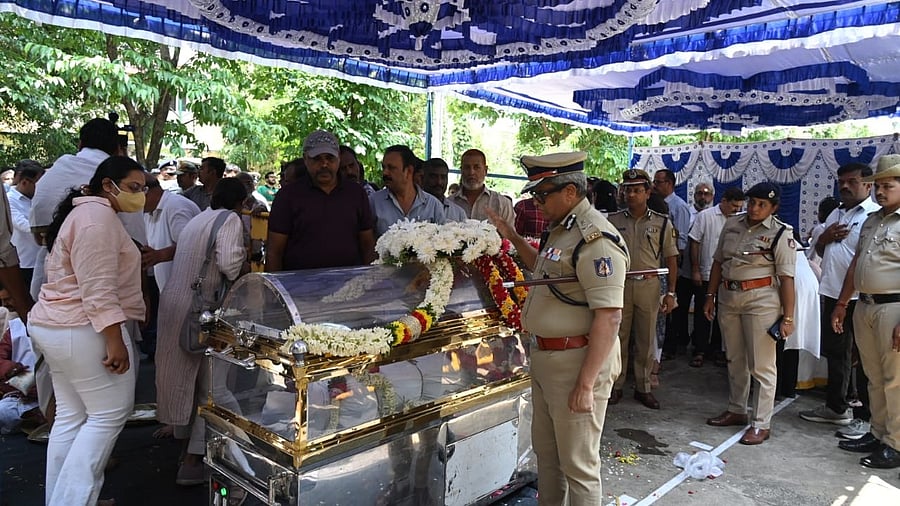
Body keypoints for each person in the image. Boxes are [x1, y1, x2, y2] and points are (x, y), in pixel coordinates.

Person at [487, 151, 626, 506]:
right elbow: (544, 274)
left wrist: (586, 384)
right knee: (548, 458)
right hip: (549, 359)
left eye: (542, 194)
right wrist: (514, 237)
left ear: (569, 192)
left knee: (578, 466)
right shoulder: (562, 230)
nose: (537, 202)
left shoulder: (595, 240)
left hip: (577, 363)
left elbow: (609, 318)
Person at [27, 156, 146, 505]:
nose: (140, 196)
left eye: (142, 189)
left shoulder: (90, 215)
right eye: (134, 188)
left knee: (72, 417)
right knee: (108, 416)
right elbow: (97, 288)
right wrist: (114, 340)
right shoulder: (97, 220)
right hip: (83, 328)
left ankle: (65, 498)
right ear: (108, 185)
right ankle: (72, 500)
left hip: (60, 326)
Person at [155, 178, 248, 485]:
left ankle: (185, 443)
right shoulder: (230, 219)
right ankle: (197, 459)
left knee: (187, 379)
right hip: (200, 310)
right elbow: (231, 266)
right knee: (214, 388)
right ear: (240, 202)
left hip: (174, 304)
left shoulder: (199, 218)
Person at [704, 182, 796, 445]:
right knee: (734, 358)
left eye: (762, 204)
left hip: (762, 301)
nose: (754, 208)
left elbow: (787, 279)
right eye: (752, 202)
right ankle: (736, 409)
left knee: (762, 365)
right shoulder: (732, 225)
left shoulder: (781, 233)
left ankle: (761, 423)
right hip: (729, 297)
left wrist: (787, 317)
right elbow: (718, 262)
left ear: (773, 207)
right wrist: (710, 296)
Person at [831, 154, 900, 469]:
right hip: (865, 304)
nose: (881, 192)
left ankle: (895, 443)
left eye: (888, 186)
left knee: (894, 379)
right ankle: (877, 431)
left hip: (893, 309)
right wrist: (843, 303)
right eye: (878, 186)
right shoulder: (873, 220)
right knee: (872, 376)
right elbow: (856, 264)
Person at [800, 162, 878, 429]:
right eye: (841, 181)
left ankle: (867, 418)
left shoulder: (874, 215)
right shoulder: (836, 213)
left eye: (852, 181)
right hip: (834, 292)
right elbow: (820, 253)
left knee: (864, 356)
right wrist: (825, 238)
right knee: (836, 353)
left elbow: (866, 261)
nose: (844, 186)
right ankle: (836, 407)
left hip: (860, 297)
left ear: (869, 184)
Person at [607, 169, 678, 409]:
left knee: (647, 340)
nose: (631, 194)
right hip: (620, 285)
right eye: (628, 189)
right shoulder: (613, 221)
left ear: (648, 192)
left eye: (637, 190)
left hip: (649, 285)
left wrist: (671, 293)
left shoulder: (662, 222)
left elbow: (671, 259)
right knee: (618, 338)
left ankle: (643, 387)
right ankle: (615, 385)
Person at [29, 118, 120, 299]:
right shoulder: (116, 179)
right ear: (117, 147)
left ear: (80, 144)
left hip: (51, 276)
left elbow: (38, 235)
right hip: (101, 275)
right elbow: (135, 239)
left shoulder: (53, 174)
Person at [267, 130, 376, 271]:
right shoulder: (288, 196)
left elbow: (367, 245)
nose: (324, 165)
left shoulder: (356, 194)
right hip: (299, 286)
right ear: (305, 159)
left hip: (349, 284)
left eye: (330, 158)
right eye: (317, 159)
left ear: (338, 159)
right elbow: (274, 252)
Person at [687, 187, 746, 367]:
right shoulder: (705, 216)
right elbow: (694, 242)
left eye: (739, 206)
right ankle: (700, 350)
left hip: (729, 276)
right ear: (724, 200)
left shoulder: (741, 220)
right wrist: (696, 269)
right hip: (706, 273)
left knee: (725, 315)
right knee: (702, 313)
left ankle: (717, 350)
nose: (737, 209)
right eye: (734, 206)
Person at [652, 169, 692, 360]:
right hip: (655, 263)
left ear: (669, 184)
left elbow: (681, 240)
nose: (655, 185)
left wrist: (673, 262)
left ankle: (671, 345)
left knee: (672, 306)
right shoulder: (652, 205)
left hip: (672, 262)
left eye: (658, 182)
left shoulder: (679, 207)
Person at [141, 173, 201, 293]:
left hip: (188, 291)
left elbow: (192, 246)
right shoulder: (149, 211)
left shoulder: (176, 206)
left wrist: (160, 255)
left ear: (145, 191)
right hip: (168, 290)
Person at [371, 145, 445, 238]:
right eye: (384, 167)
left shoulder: (433, 206)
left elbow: (442, 245)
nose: (385, 173)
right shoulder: (373, 202)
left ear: (409, 171)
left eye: (391, 168)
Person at [449, 148, 514, 226]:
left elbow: (509, 237)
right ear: (461, 170)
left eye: (476, 167)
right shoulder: (449, 204)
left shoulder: (502, 204)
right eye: (467, 167)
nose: (471, 172)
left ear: (485, 170)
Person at [7, 160, 45, 289]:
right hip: (24, 263)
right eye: (38, 184)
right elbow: (22, 224)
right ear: (25, 182)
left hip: (41, 260)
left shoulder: (37, 198)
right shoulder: (9, 200)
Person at [421, 157, 467, 222]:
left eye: (443, 177)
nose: (439, 182)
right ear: (423, 178)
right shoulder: (414, 208)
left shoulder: (459, 214)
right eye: (433, 177)